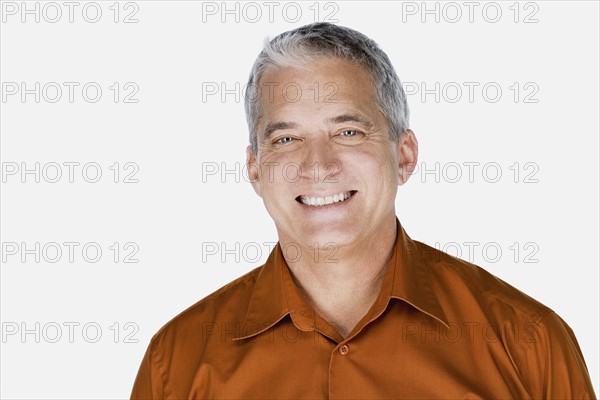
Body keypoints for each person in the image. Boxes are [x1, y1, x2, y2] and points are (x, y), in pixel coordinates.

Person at [131, 22, 596, 399]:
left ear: (404, 155)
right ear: (255, 169)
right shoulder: (177, 362)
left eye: (348, 132)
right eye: (286, 139)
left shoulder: (528, 343)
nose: (319, 165)